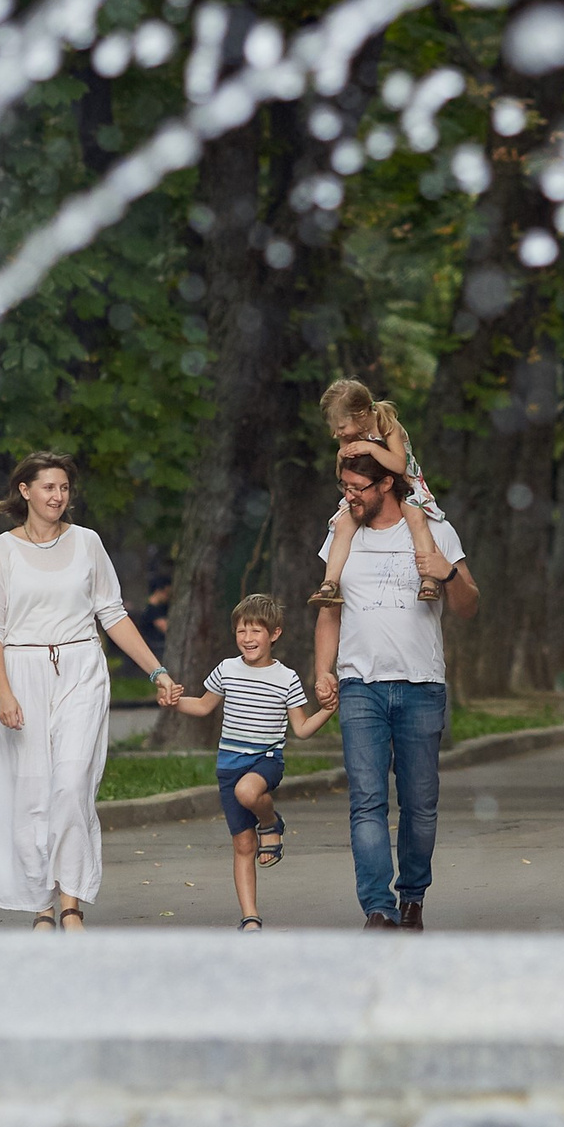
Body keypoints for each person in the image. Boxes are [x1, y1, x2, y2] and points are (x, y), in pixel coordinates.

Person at [0, 451, 180, 930]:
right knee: (33, 794)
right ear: (25, 491)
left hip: (81, 666)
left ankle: (70, 903)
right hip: (21, 672)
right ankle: (41, 904)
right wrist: (3, 691)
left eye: (64, 488)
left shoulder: (88, 543)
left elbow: (114, 614)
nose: (57, 497)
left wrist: (156, 671)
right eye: (48, 487)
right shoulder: (0, 551)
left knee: (69, 785)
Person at [313, 450, 478, 931]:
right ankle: (378, 909)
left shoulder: (434, 530)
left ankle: (412, 896)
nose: (348, 496)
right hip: (360, 685)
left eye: (357, 488)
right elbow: (329, 611)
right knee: (366, 800)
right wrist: (323, 671)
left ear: (386, 483)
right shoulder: (341, 534)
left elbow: (469, 605)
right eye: (344, 486)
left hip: (421, 686)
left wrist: (446, 572)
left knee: (420, 804)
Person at [158, 593, 336, 931]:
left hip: (265, 760)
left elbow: (300, 729)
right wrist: (172, 703)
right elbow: (202, 706)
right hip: (228, 764)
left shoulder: (286, 678)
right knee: (242, 844)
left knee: (248, 792)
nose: (248, 639)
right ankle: (250, 917)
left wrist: (327, 710)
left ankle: (271, 823)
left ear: (275, 634)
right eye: (242, 631)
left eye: (256, 631)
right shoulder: (227, 669)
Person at [309, 380, 449, 608]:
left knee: (415, 516)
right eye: (334, 428)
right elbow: (343, 471)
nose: (336, 433)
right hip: (369, 489)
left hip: (404, 484)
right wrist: (342, 457)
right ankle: (330, 583)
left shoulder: (387, 425)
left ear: (361, 414)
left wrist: (371, 448)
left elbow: (399, 465)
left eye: (341, 427)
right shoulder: (348, 434)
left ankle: (428, 579)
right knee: (343, 524)